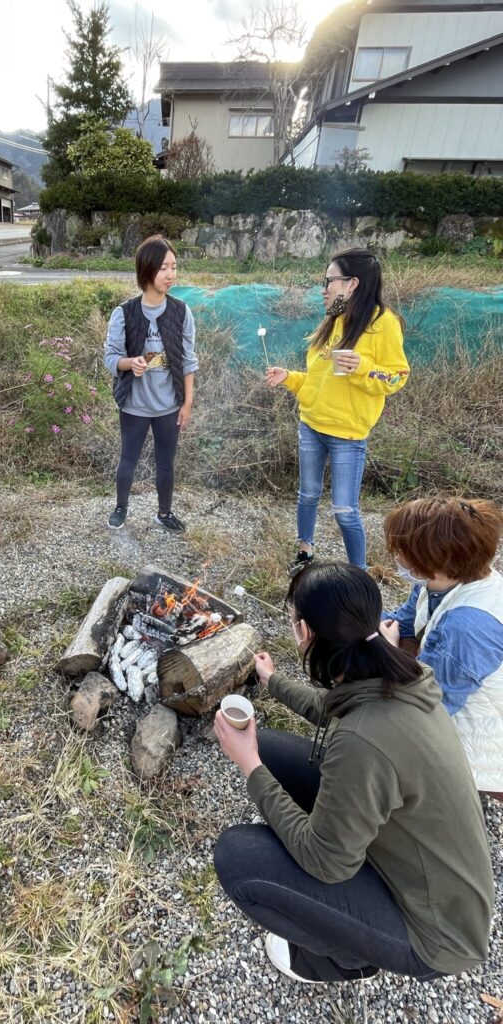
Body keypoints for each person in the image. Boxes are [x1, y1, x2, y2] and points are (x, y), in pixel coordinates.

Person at [213, 562, 493, 984]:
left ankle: (342, 960)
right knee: (269, 746)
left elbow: (325, 861)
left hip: (435, 933)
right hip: (419, 865)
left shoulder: (364, 741)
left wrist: (249, 765)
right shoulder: (402, 675)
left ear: (304, 632)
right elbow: (334, 708)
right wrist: (271, 682)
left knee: (238, 858)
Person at [266, 249, 409, 572]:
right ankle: (304, 553)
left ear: (353, 283)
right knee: (308, 494)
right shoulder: (334, 316)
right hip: (312, 424)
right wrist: (289, 378)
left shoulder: (382, 322)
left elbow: (397, 376)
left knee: (344, 509)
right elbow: (319, 381)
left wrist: (363, 366)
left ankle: (357, 572)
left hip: (347, 432)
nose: (324, 288)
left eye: (329, 280)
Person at [381, 496, 503, 798]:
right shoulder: (440, 582)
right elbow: (402, 623)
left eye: (403, 551)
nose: (397, 557)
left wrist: (388, 651)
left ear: (431, 560)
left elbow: (427, 706)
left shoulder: (467, 628)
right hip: (448, 702)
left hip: (479, 750)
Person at [104, 235, 198, 532]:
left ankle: (164, 513)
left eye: (174, 267)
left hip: (169, 405)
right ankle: (121, 507)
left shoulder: (181, 311)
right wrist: (130, 363)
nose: (171, 275)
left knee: (166, 462)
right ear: (147, 271)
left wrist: (188, 402)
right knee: (128, 460)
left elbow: (188, 360)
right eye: (164, 268)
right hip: (134, 404)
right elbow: (110, 357)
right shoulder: (124, 312)